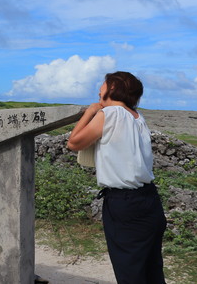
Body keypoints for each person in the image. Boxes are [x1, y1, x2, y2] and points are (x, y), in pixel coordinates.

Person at [67, 71, 166, 284]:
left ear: (113, 88)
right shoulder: (137, 117)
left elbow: (74, 143)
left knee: (129, 271)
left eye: (103, 86)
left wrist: (90, 112)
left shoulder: (110, 113)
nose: (99, 89)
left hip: (124, 203)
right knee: (152, 269)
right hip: (150, 199)